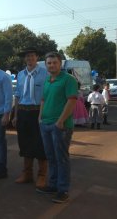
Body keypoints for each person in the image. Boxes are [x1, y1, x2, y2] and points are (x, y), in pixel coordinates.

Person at [36, 51, 77, 204]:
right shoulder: (48, 80)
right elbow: (43, 100)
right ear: (46, 65)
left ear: (60, 64)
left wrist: (60, 121)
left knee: (61, 158)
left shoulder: (68, 80)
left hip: (60, 126)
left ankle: (63, 190)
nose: (52, 65)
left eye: (54, 62)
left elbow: (71, 101)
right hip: (45, 124)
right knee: (51, 157)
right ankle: (52, 185)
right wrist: (40, 116)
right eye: (49, 63)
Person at [11, 47, 48, 188]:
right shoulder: (20, 74)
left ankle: (42, 176)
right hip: (23, 112)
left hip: (38, 112)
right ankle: (27, 174)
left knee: (40, 144)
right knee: (25, 143)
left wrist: (43, 114)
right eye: (27, 56)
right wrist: (15, 115)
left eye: (32, 56)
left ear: (37, 57)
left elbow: (47, 95)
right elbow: (18, 96)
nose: (29, 59)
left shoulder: (45, 74)